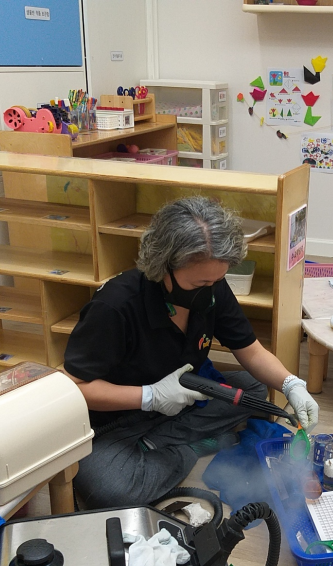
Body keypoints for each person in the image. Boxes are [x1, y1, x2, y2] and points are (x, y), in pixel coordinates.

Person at [64, 196, 319, 509]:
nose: (211, 291)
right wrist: (149, 397)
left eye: (217, 280)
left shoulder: (211, 287)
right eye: (201, 282)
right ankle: (187, 447)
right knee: (112, 490)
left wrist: (291, 383)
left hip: (184, 401)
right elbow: (74, 387)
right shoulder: (115, 307)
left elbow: (251, 352)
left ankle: (160, 445)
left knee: (253, 389)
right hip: (117, 420)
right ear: (163, 266)